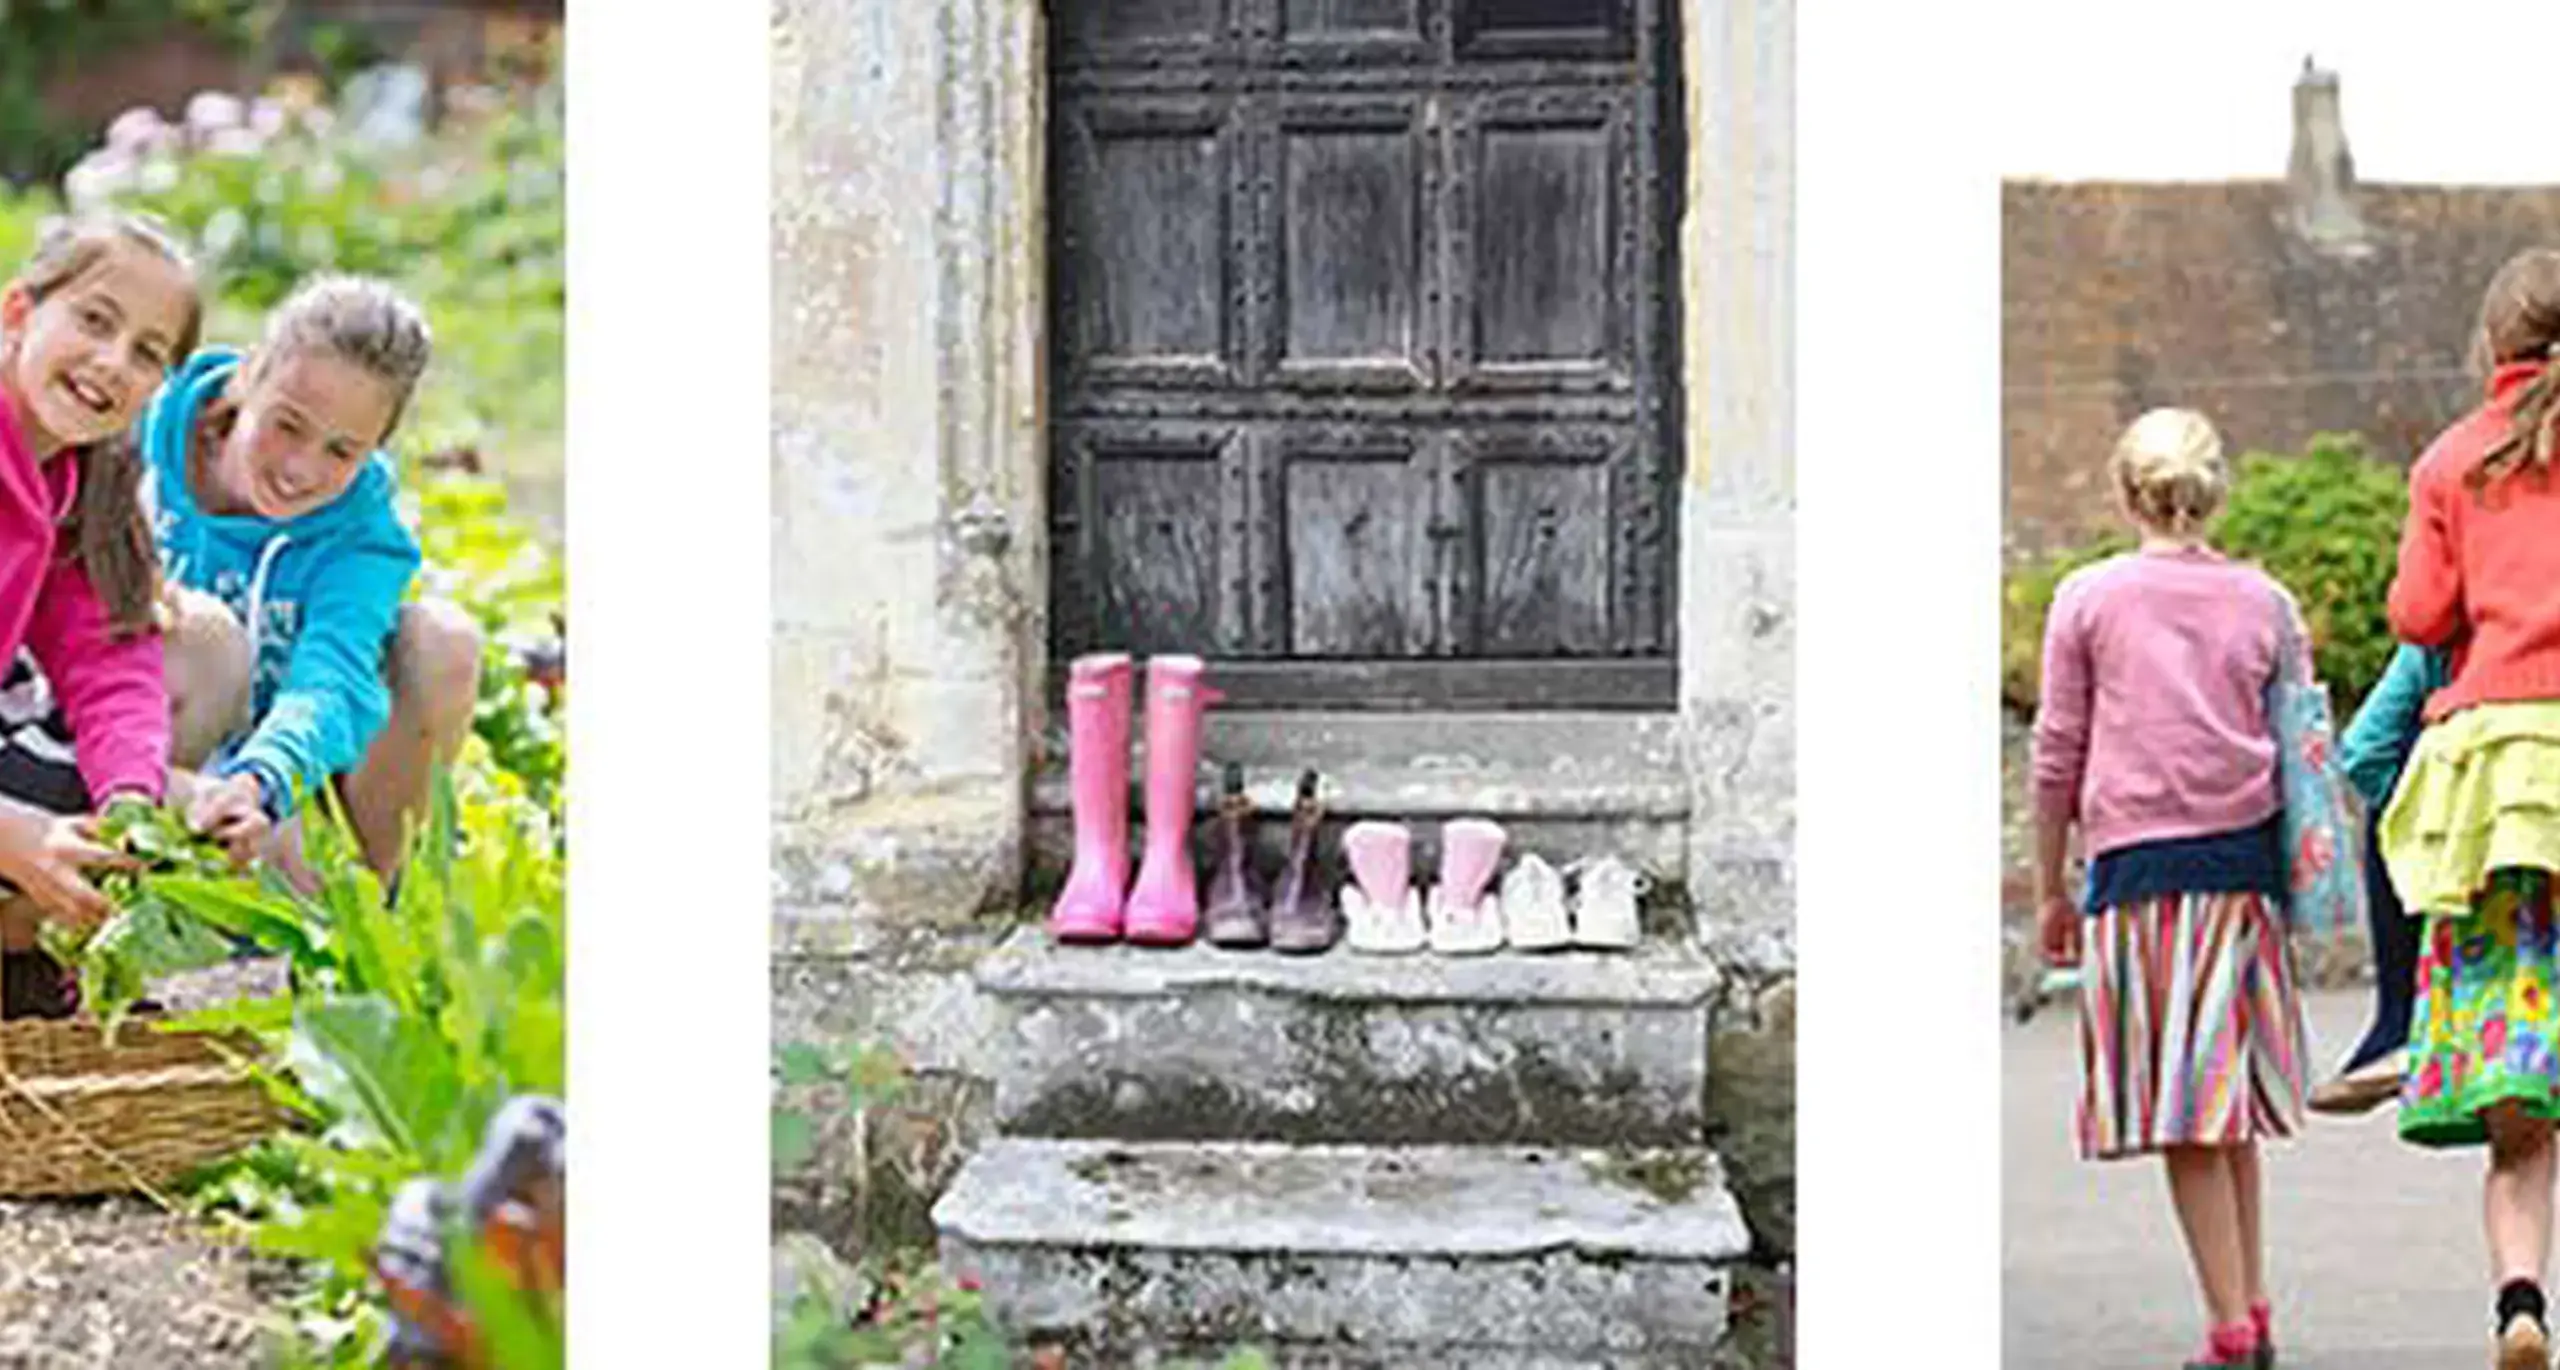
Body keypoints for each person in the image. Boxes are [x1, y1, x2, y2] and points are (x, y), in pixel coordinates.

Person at [2033, 406, 2310, 1370]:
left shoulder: (2087, 598)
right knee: (2224, 1108)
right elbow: (2300, 744)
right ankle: (2254, 1308)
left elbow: (2056, 754)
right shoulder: (2267, 602)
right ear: (2214, 489)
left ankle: (2231, 1334)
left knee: (2188, 1113)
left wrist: (2048, 887)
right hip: (2245, 874)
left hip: (2141, 873)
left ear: (2125, 491)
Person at [2374, 247, 2560, 1367]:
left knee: (2520, 1114)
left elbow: (2416, 610)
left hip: (2494, 775)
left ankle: (2521, 1302)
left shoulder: (2452, 458)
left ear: (2492, 345)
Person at [0, 212, 206, 1015]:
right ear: (19, 313)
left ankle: (51, 991)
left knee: (160, 812)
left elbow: (110, 664)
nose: (112, 362)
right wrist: (11, 834)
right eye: (94, 319)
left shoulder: (78, 479)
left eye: (147, 353)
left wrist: (131, 802)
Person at [2309, 641, 2446, 1114]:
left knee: (2398, 783)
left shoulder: (2448, 628)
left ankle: (2399, 1019)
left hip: (2456, 829)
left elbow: (2365, 749)